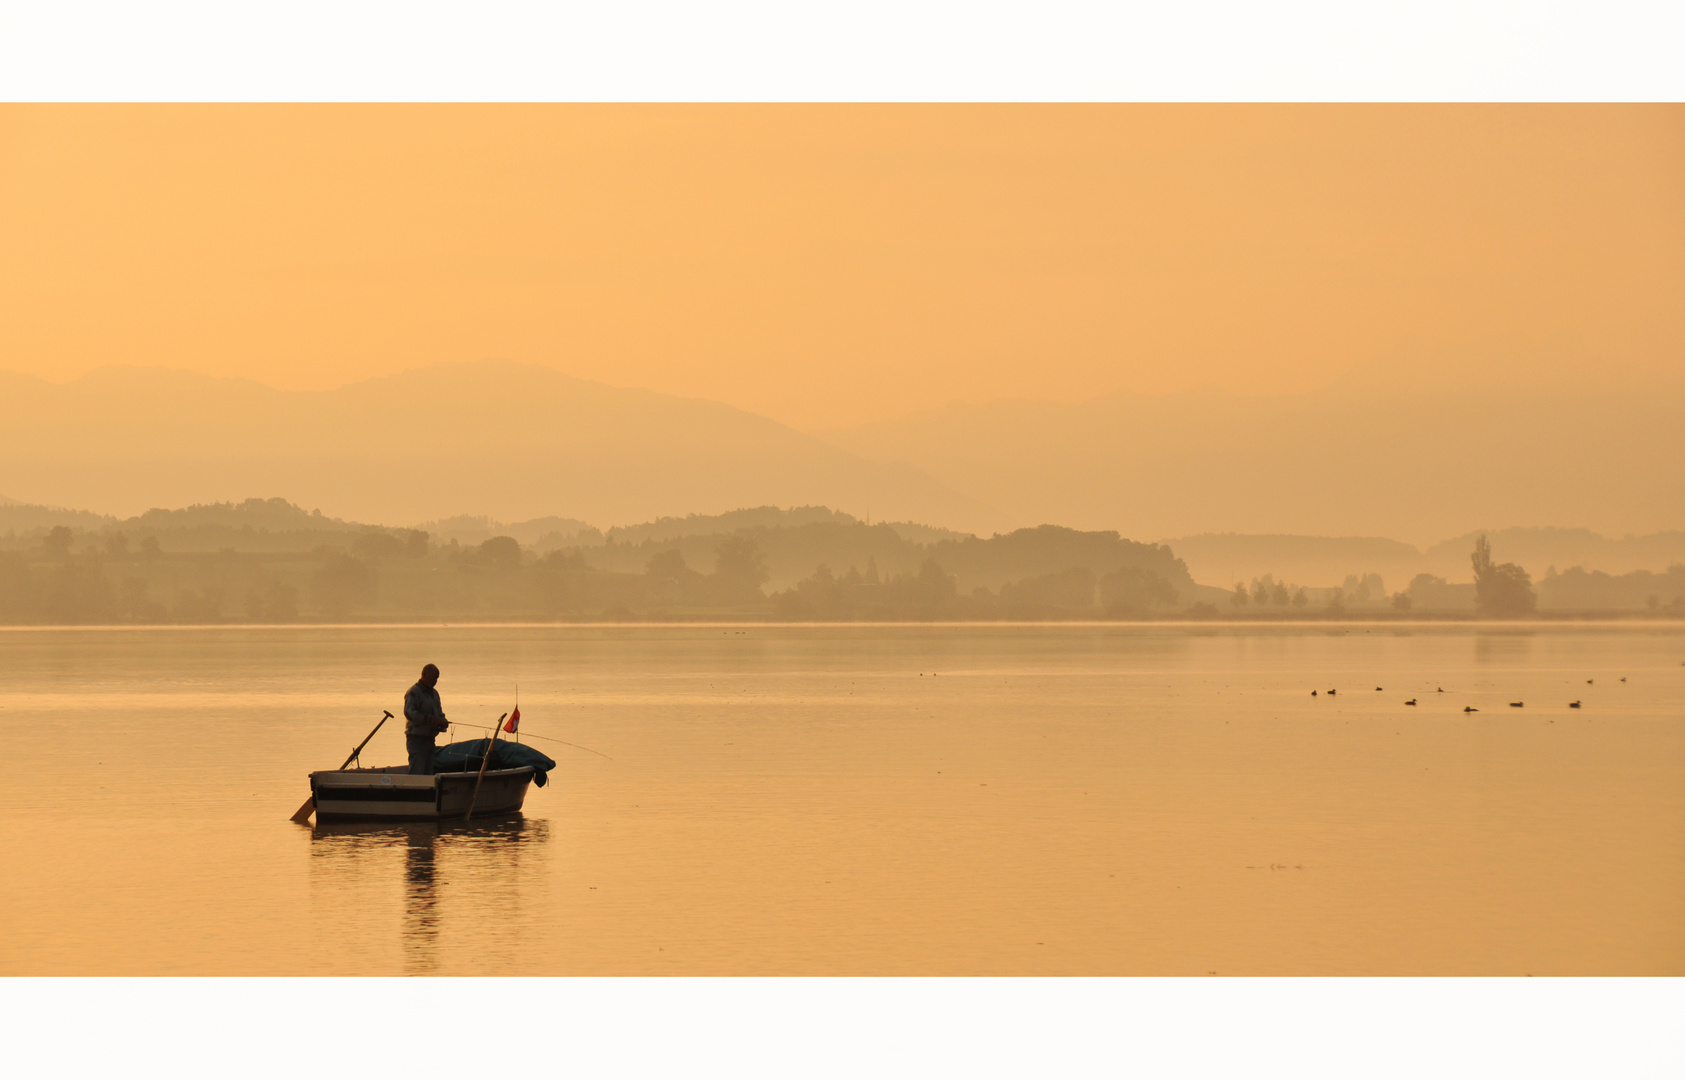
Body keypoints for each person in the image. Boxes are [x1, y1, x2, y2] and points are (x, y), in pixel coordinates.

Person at [403, 663, 450, 775]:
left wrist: (443, 721)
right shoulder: (414, 692)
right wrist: (430, 720)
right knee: (417, 773)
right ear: (424, 675)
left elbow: (439, 713)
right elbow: (409, 713)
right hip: (416, 740)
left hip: (430, 740)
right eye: (434, 677)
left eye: (437, 678)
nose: (435, 681)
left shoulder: (435, 694)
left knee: (429, 774)